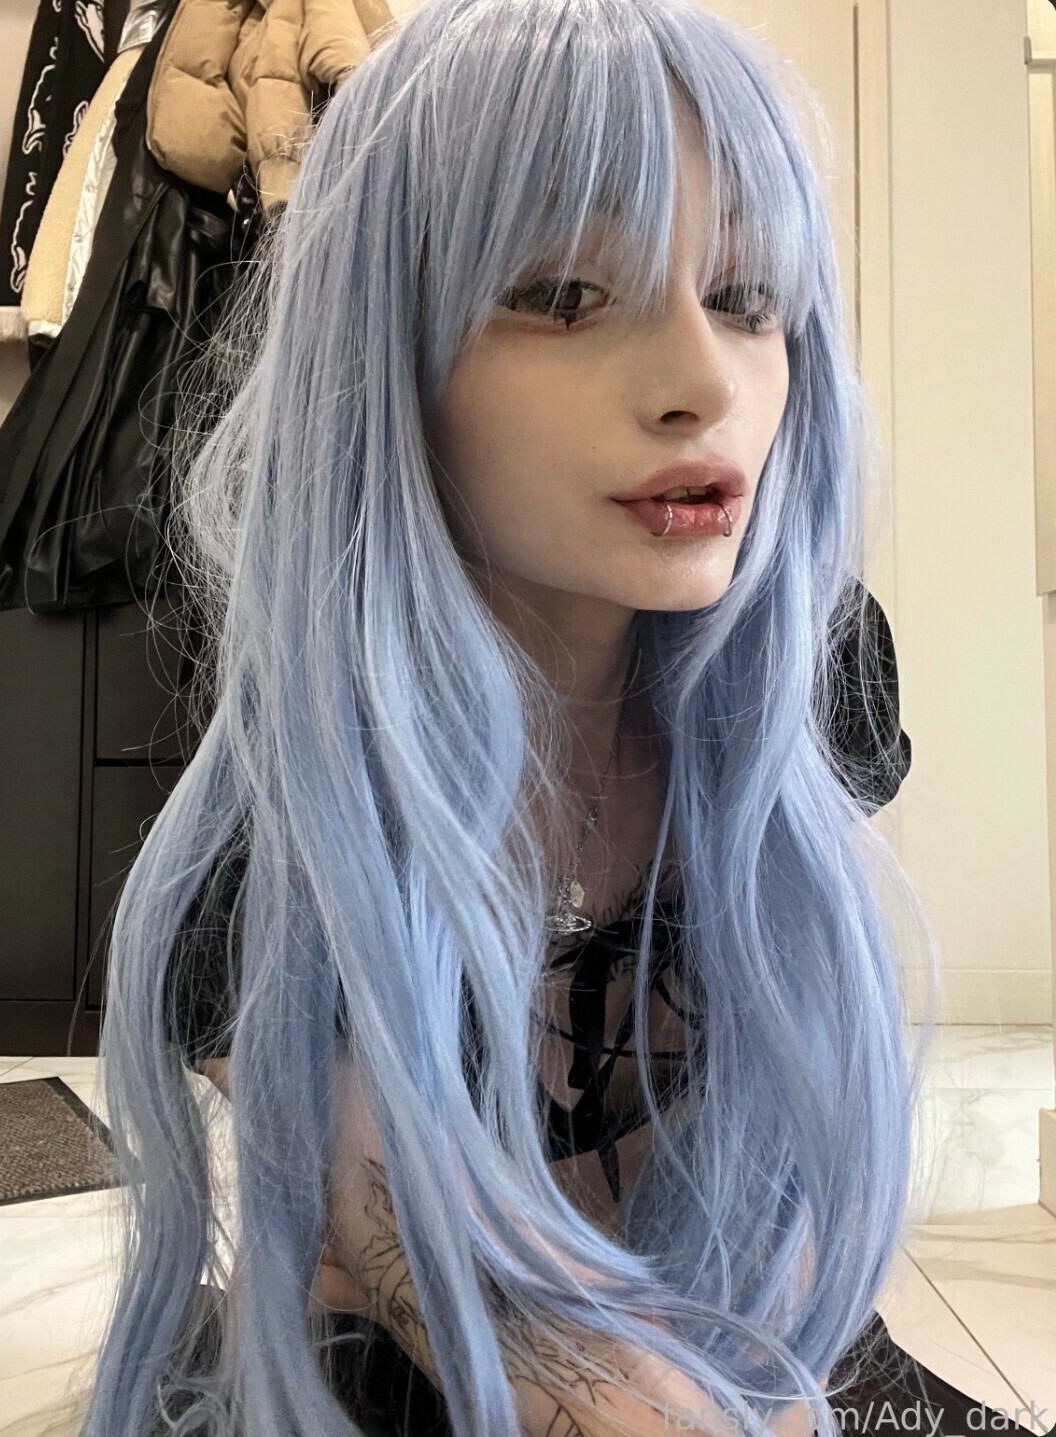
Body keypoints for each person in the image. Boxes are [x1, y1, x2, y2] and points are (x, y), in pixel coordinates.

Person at [76, 1, 1027, 1434]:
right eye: (567, 297)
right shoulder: (273, 848)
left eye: (747, 297)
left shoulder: (809, 679)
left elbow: (784, 1219)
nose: (706, 386)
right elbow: (486, 1321)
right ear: (386, 363)